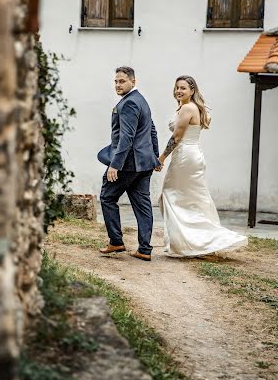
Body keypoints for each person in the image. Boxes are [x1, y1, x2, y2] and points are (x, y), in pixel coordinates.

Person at [158, 75, 247, 257]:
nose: (178, 91)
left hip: (184, 156)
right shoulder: (196, 108)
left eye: (183, 88)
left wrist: (162, 158)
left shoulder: (187, 108)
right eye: (177, 87)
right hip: (194, 154)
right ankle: (193, 241)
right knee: (193, 198)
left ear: (192, 90)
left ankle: (192, 242)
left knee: (171, 194)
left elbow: (176, 137)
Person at [98, 66, 161, 261]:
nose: (118, 85)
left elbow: (127, 138)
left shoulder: (129, 103)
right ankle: (144, 249)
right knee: (143, 205)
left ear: (133, 81)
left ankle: (116, 241)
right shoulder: (141, 100)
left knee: (107, 197)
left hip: (128, 163)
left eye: (122, 81)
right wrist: (155, 157)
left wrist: (114, 165)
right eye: (116, 81)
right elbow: (152, 130)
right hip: (144, 163)